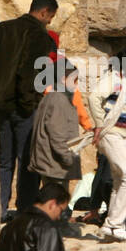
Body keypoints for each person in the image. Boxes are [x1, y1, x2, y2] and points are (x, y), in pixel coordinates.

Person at [0, 0, 59, 221]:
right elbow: (32, 71)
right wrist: (30, 104)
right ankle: (25, 210)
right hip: (24, 107)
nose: (49, 22)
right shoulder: (40, 34)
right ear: (44, 12)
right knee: (29, 162)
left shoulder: (2, 29)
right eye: (50, 17)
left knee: (4, 160)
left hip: (0, 104)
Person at [88, 43, 126, 243]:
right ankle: (114, 225)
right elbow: (94, 97)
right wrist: (98, 125)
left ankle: (113, 227)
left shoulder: (123, 80)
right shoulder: (113, 78)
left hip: (121, 135)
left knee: (119, 180)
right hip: (111, 133)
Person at [29, 61, 84, 191]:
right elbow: (57, 134)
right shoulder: (59, 100)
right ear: (64, 80)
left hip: (51, 163)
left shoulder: (53, 97)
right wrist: (68, 158)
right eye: (74, 80)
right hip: (55, 165)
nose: (76, 85)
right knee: (55, 201)